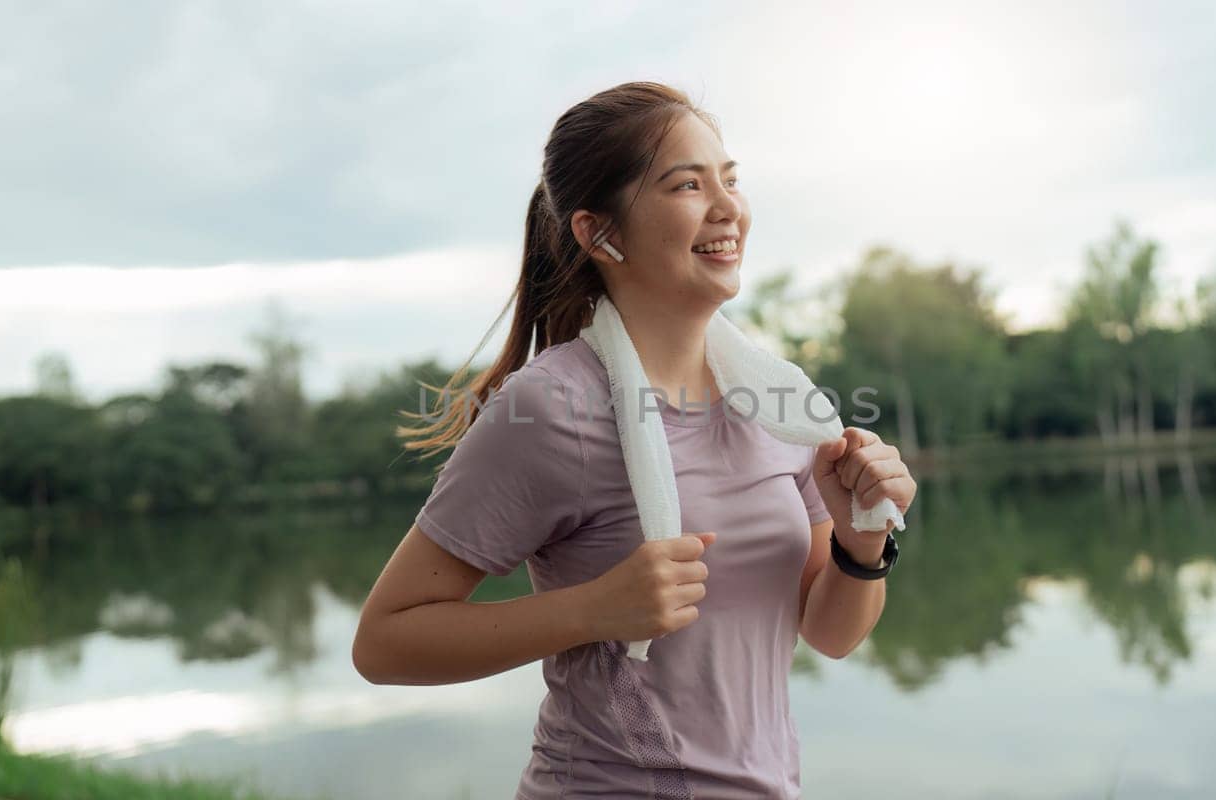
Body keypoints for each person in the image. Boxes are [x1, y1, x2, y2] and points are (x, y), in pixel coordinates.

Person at [351, 81, 916, 799]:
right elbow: (385, 641)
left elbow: (830, 633)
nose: (728, 208)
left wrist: (863, 540)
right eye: (687, 184)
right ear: (598, 232)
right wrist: (590, 610)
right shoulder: (552, 408)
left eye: (730, 180)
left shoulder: (780, 403)